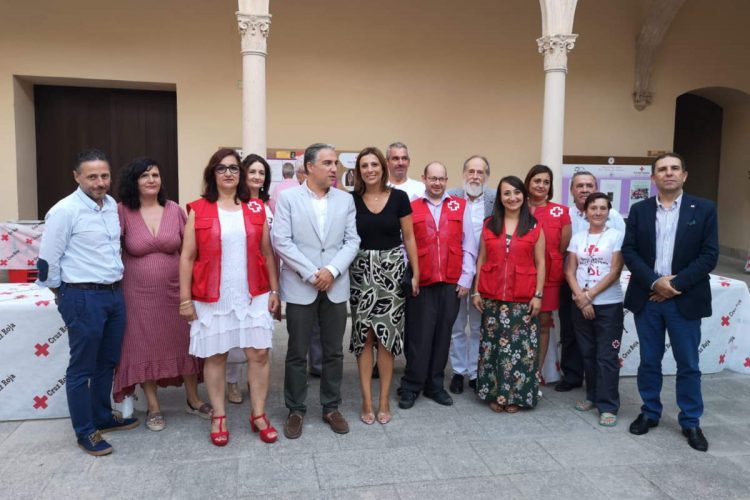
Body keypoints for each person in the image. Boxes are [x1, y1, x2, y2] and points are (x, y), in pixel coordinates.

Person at [36, 149, 138, 456]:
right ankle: (85, 431)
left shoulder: (111, 207)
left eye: (104, 175)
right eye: (92, 176)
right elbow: (47, 263)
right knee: (82, 367)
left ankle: (103, 417)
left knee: (107, 361)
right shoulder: (64, 211)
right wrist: (64, 294)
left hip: (113, 294)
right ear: (77, 177)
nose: (100, 182)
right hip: (81, 296)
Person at [179, 148, 281, 446]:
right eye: (222, 168)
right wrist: (185, 299)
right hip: (213, 294)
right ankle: (219, 415)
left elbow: (266, 253)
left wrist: (275, 291)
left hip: (253, 293)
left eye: (234, 168)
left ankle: (258, 414)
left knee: (258, 353)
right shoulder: (199, 208)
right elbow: (187, 256)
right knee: (216, 355)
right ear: (213, 173)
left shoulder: (256, 208)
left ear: (241, 173)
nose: (228, 173)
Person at [622, 153, 718, 452]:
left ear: (684, 175)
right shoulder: (639, 210)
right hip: (648, 298)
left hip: (684, 299)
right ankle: (650, 412)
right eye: (662, 169)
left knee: (688, 363)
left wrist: (673, 285)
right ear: (653, 178)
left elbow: (709, 255)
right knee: (649, 361)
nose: (669, 173)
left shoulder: (703, 209)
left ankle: (690, 420)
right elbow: (630, 251)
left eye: (674, 168)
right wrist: (655, 282)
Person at [113, 158, 210, 432]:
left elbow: (192, 251)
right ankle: (154, 406)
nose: (152, 180)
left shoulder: (175, 210)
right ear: (134, 181)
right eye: (145, 176)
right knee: (144, 345)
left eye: (155, 174)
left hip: (176, 291)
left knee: (184, 341)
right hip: (137, 295)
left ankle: (193, 399)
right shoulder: (122, 211)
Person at [272, 143, 360, 438]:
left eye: (336, 162)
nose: (335, 168)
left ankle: (331, 407)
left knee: (334, 352)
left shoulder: (344, 201)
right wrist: (312, 274)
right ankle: (295, 409)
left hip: (335, 285)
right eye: (328, 163)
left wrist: (331, 271)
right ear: (309, 166)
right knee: (297, 351)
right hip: (301, 286)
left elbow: (352, 241)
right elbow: (281, 241)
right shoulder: (288, 198)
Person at [398, 161, 477, 409]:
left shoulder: (460, 206)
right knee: (418, 336)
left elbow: (469, 245)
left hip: (451, 283)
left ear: (446, 180)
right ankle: (411, 385)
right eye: (432, 178)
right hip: (421, 281)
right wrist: (410, 274)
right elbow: (403, 245)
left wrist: (466, 278)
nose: (437, 183)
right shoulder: (411, 208)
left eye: (441, 179)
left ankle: (435, 385)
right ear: (424, 179)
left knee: (443, 336)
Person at [349, 147, 420, 425]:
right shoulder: (350, 200)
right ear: (358, 170)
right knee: (363, 337)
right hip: (360, 273)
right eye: (364, 165)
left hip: (391, 272)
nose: (370, 170)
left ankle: (383, 400)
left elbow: (410, 238)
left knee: (387, 340)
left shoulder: (400, 197)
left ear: (383, 167)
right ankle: (367, 399)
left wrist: (415, 272)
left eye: (374, 164)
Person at [471, 176, 545, 413]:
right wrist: (476, 291)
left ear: (523, 195)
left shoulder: (534, 226)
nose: (512, 197)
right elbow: (481, 258)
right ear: (500, 198)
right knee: (493, 348)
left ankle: (516, 396)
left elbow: (541, 263)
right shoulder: (490, 224)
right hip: (492, 297)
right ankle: (495, 393)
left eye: (516, 192)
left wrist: (538, 295)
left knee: (520, 350)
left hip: (522, 299)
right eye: (506, 193)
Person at [556, 170, 625, 392]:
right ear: (571, 190)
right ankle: (572, 376)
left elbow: (619, 255)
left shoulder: (612, 217)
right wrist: (579, 294)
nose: (584, 189)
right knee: (571, 333)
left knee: (602, 345)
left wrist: (590, 294)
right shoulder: (565, 215)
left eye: (589, 185)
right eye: (579, 186)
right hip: (572, 283)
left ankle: (600, 389)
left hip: (602, 289)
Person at [565, 192, 624, 426]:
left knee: (606, 356)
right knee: (587, 353)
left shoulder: (616, 236)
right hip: (580, 303)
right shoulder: (578, 237)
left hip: (608, 305)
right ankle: (592, 395)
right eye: (593, 208)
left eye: (602, 208)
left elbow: (615, 271)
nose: (598, 212)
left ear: (608, 211)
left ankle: (608, 405)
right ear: (586, 212)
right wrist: (581, 298)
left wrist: (589, 296)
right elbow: (569, 270)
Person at [224, 153, 276, 405]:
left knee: (259, 335)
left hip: (265, 276)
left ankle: (253, 379)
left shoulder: (267, 205)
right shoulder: (235, 203)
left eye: (262, 173)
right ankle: (231, 382)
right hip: (239, 277)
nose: (257, 177)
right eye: (252, 171)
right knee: (235, 335)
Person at [446, 155, 496, 395]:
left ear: (486, 176)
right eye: (471, 171)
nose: (475, 176)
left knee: (478, 326)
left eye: (480, 172)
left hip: (485, 271)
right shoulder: (451, 196)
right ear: (464, 173)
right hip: (457, 270)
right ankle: (458, 371)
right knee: (457, 325)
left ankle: (476, 373)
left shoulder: (496, 199)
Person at [524, 164, 571, 382]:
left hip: (550, 276)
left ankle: (536, 374)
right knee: (520, 322)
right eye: (537, 181)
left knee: (543, 322)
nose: (541, 185)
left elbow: (563, 246)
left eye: (546, 182)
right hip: (521, 274)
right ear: (528, 183)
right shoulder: (517, 207)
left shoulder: (560, 212)